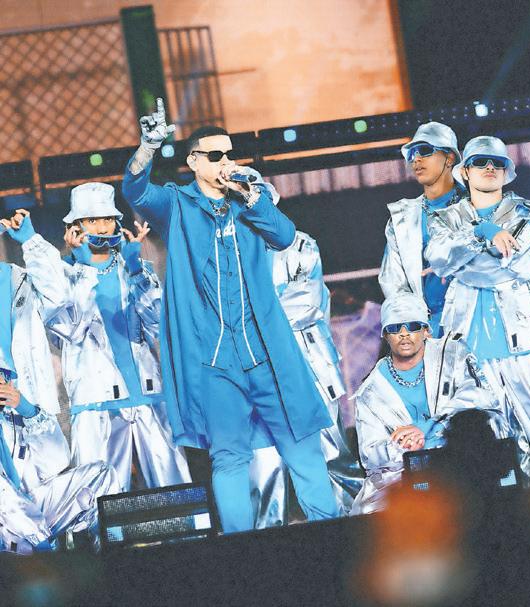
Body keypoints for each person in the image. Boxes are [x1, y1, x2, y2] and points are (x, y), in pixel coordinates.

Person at [122, 99, 338, 532]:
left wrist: (252, 196)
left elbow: (284, 236)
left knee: (302, 443)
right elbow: (136, 192)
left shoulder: (248, 200)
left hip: (265, 351)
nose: (226, 162)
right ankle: (241, 546)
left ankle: (330, 531)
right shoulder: (177, 204)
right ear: (194, 162)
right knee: (228, 456)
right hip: (215, 359)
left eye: (230, 154)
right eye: (216, 155)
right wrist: (147, 147)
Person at [425, 135, 530, 480]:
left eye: (497, 162)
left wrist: (465, 263)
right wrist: (485, 232)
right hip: (468, 350)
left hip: (523, 346)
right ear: (465, 171)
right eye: (480, 162)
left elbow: (519, 264)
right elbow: (440, 259)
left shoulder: (526, 212)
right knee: (486, 448)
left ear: (507, 171)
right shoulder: (444, 218)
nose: (489, 167)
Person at [56, 182, 191, 492]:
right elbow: (69, 329)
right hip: (95, 401)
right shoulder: (62, 274)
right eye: (92, 220)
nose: (102, 227)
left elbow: (158, 324)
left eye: (107, 218)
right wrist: (83, 267)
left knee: (175, 492)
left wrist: (135, 269)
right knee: (98, 497)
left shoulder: (136, 267)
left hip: (148, 393)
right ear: (74, 227)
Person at [0, 210, 120, 553]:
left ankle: (108, 559)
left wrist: (32, 243)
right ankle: (42, 554)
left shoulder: (17, 279)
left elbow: (60, 303)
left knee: (99, 477)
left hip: (29, 409)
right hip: (16, 521)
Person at [351, 293, 504, 514]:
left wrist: (427, 427)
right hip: (405, 476)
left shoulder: (452, 354)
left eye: (413, 326)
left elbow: (482, 397)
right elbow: (370, 456)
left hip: (462, 460)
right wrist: (403, 447)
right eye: (395, 328)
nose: (404, 334)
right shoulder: (370, 391)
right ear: (385, 335)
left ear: (426, 330)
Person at [251, 230, 364, 526]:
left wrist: (251, 316)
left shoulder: (300, 244)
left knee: (331, 454)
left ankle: (348, 527)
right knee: (264, 465)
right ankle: (265, 539)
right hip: (258, 373)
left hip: (310, 368)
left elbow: (304, 305)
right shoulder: (229, 246)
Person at [379, 122, 464, 336]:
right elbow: (394, 283)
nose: (416, 159)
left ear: (449, 158)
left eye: (425, 150)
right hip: (430, 331)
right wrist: (414, 326)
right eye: (412, 154)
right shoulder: (402, 219)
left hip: (477, 322)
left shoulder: (477, 205)